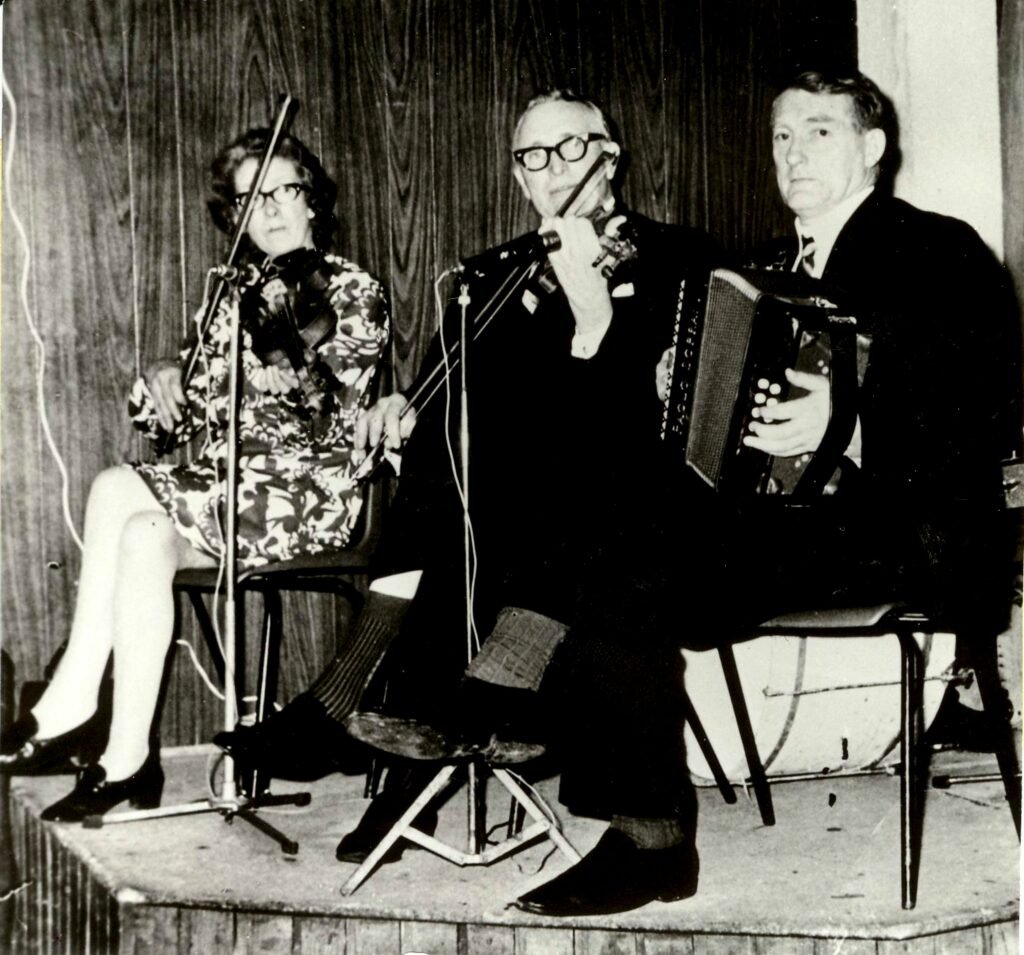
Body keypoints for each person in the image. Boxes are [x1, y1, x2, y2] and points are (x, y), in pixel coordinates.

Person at [347, 70, 1022, 917]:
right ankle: (524, 715)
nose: (793, 152)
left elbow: (987, 399)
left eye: (818, 131)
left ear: (872, 148)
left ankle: (609, 802)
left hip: (901, 531)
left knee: (631, 535)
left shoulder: (937, 248)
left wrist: (847, 424)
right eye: (781, 135)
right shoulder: (764, 269)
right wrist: (682, 390)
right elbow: (730, 417)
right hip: (784, 530)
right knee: (606, 499)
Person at [214, 89, 720, 864]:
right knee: (437, 450)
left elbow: (661, 422)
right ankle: (410, 712)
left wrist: (594, 325)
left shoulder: (682, 258)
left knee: (524, 471)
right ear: (519, 180)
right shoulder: (499, 279)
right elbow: (451, 399)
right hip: (503, 512)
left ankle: (378, 709)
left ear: (609, 158)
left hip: (624, 509)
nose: (554, 170)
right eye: (533, 157)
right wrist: (398, 407)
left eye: (572, 148)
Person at [0, 130, 391, 822]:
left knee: (127, 498)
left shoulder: (350, 288)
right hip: (225, 486)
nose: (267, 210)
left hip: (309, 491)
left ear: (313, 202)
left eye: (283, 191)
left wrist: (289, 365)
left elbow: (336, 404)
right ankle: (124, 753)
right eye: (250, 199)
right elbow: (176, 429)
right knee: (131, 511)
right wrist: (164, 381)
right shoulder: (226, 295)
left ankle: (74, 702)